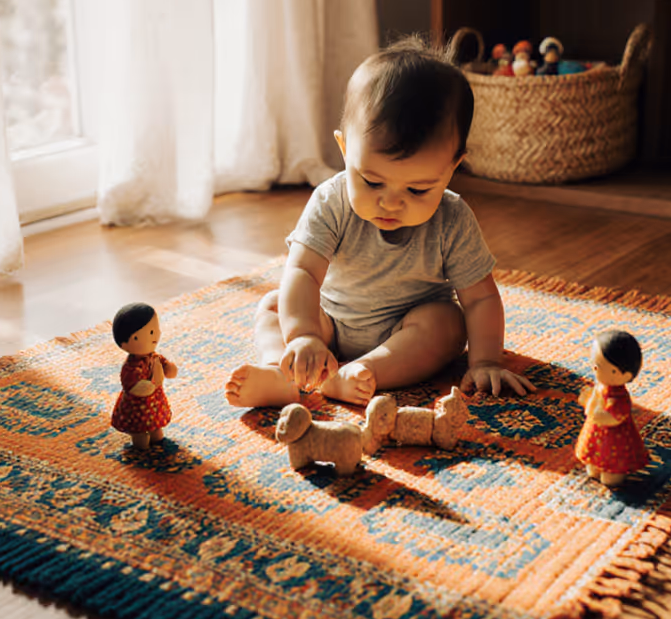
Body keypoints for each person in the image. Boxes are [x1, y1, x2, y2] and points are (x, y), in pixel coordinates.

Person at [226, 37, 535, 408]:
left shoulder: (453, 220)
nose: (390, 202)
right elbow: (303, 273)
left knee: (448, 325)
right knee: (276, 305)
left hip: (405, 330)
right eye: (371, 181)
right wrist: (305, 336)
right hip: (329, 323)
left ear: (452, 168)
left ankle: (359, 373)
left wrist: (485, 361)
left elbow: (481, 298)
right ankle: (282, 371)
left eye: (419, 189)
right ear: (344, 150)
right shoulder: (330, 201)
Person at [575, 329, 649, 487]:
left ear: (623, 374)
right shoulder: (600, 387)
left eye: (600, 367)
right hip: (596, 431)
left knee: (610, 476)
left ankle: (613, 472)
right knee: (592, 467)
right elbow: (595, 398)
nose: (595, 370)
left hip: (615, 438)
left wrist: (592, 410)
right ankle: (595, 466)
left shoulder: (619, 398)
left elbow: (614, 417)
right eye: (595, 366)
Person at [111, 302, 178, 449]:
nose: (156, 336)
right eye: (151, 333)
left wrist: (169, 369)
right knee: (140, 431)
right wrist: (143, 387)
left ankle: (156, 434)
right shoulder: (131, 366)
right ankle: (141, 442)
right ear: (131, 340)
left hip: (155, 399)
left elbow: (167, 368)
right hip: (138, 406)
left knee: (156, 424)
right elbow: (130, 384)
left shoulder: (155, 357)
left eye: (156, 330)